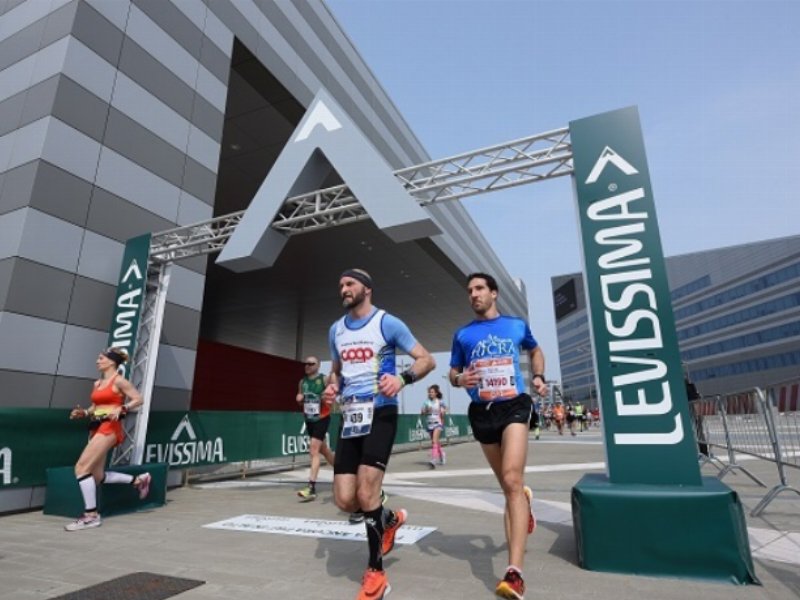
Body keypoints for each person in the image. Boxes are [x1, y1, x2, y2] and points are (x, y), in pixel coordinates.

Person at [322, 268, 435, 600]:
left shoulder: (388, 323)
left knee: (368, 489)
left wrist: (402, 380)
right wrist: (332, 388)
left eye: (349, 284)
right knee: (346, 499)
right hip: (350, 416)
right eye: (340, 284)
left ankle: (376, 573)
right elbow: (336, 372)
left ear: (366, 289)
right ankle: (387, 518)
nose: (343, 289)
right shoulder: (335, 330)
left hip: (381, 411)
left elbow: (426, 360)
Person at [449, 272, 547, 600]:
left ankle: (514, 573)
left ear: (494, 293)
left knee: (511, 479)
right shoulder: (462, 335)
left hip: (514, 406)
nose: (473, 295)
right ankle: (524, 504)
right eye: (469, 291)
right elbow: (452, 373)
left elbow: (536, 351)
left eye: (479, 289)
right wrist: (459, 379)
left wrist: (538, 376)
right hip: (482, 413)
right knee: (509, 488)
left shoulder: (516, 325)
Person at [65, 348, 151, 531]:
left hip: (110, 428)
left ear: (112, 362)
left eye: (101, 358)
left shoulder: (119, 380)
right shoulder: (98, 383)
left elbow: (139, 398)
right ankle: (138, 481)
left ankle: (91, 516)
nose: (97, 361)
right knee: (97, 476)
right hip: (96, 427)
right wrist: (84, 412)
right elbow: (96, 406)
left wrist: (123, 408)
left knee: (81, 468)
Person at [295, 356, 336, 502]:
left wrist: (326, 398)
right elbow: (301, 401)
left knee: (313, 450)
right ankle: (342, 471)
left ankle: (311, 488)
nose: (307, 366)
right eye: (305, 363)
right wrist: (299, 399)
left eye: (311, 364)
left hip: (322, 418)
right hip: (309, 420)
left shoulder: (324, 380)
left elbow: (332, 397)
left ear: (318, 366)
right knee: (324, 450)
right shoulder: (302, 382)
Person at [420, 384, 447, 467]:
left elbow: (445, 408)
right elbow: (422, 412)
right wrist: (426, 410)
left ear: (436, 393)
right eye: (429, 392)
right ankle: (442, 454)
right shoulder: (426, 402)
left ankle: (434, 459)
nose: (430, 393)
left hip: (437, 423)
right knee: (435, 442)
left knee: (434, 441)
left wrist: (443, 411)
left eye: (432, 392)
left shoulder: (440, 401)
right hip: (429, 424)